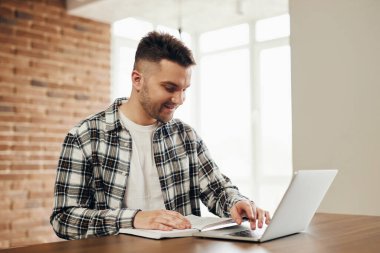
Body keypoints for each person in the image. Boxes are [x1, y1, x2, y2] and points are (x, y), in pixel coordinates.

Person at [50, 31, 270, 240]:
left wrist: (236, 203)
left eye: (184, 89)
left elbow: (217, 189)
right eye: (169, 87)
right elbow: (64, 219)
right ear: (138, 80)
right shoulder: (85, 136)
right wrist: (134, 219)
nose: (179, 99)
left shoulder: (186, 136)